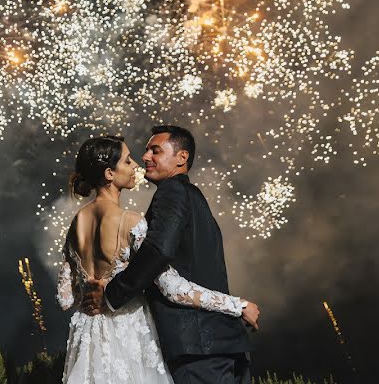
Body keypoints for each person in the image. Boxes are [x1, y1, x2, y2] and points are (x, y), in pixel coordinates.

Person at [57, 133, 259, 384]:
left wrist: (94, 291)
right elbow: (171, 287)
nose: (138, 165)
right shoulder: (131, 221)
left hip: (90, 337)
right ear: (110, 174)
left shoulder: (77, 222)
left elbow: (65, 298)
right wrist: (236, 304)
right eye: (128, 161)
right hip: (128, 332)